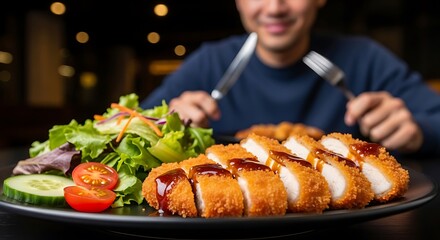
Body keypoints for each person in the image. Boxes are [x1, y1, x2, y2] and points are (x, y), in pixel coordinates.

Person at [141, 0, 440, 157]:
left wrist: (417, 132)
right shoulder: (209, 63)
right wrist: (164, 125)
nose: (274, 8)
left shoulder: (365, 59)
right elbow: (125, 130)